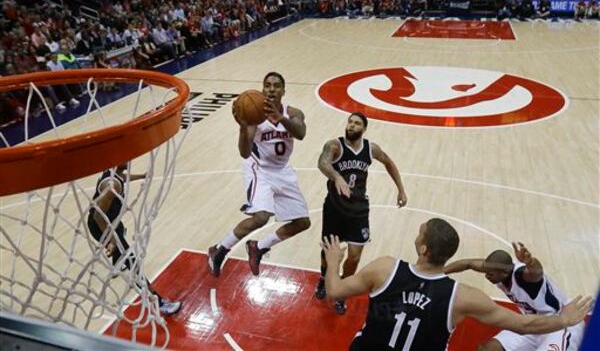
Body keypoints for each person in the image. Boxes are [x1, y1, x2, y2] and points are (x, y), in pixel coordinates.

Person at [320, 219, 592, 351]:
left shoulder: (384, 267)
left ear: (423, 248)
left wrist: (333, 262)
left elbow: (333, 291)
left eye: (419, 233)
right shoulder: (464, 297)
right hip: (536, 321)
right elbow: (523, 325)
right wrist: (441, 275)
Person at [207, 72, 311, 277]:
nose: (271, 89)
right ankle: (219, 250)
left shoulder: (294, 112)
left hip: (282, 170)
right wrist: (243, 129)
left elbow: (301, 133)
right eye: (268, 85)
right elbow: (244, 153)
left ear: (283, 91)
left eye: (276, 85)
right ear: (263, 90)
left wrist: (280, 118)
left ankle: (259, 247)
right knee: (261, 217)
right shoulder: (253, 116)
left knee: (302, 223)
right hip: (259, 169)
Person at [315, 112, 408, 315]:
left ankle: (341, 292)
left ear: (364, 129)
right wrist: (336, 176)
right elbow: (323, 163)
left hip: (358, 210)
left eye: (356, 123)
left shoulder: (370, 149)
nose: (351, 126)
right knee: (328, 254)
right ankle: (324, 278)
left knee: (354, 257)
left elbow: (389, 162)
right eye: (349, 122)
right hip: (334, 208)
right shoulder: (334, 146)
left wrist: (400, 189)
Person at [444, 242, 587, 350]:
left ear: (504, 273)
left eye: (490, 274)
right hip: (533, 324)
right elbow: (467, 263)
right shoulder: (498, 268)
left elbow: (536, 273)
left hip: (562, 322)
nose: (486, 276)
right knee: (488, 349)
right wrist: (439, 274)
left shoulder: (523, 277)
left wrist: (531, 262)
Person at [87, 163, 181, 316]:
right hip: (101, 226)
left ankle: (117, 261)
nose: (129, 161)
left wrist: (142, 176)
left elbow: (124, 178)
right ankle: (158, 303)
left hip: (113, 222)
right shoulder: (112, 186)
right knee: (133, 263)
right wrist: (110, 240)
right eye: (125, 158)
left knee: (122, 231)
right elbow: (98, 215)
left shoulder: (115, 173)